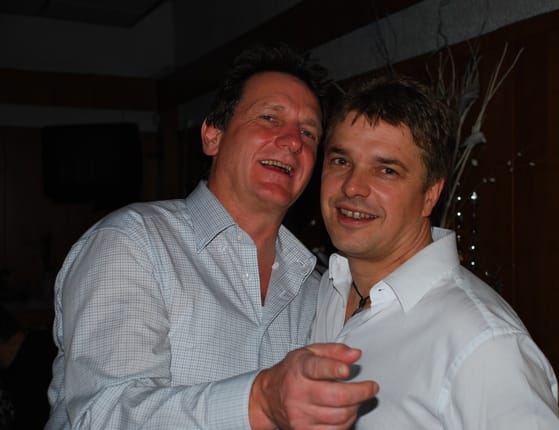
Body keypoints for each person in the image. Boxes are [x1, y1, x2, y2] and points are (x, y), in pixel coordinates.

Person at [46, 44, 378, 430]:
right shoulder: (132, 244)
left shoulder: (316, 288)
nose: (293, 141)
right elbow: (101, 415)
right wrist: (259, 402)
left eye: (308, 132)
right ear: (212, 136)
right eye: (269, 118)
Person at [311, 75, 559, 429]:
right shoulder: (329, 288)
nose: (353, 186)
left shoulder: (483, 343)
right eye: (341, 161)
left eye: (386, 170)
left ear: (431, 194)